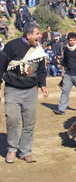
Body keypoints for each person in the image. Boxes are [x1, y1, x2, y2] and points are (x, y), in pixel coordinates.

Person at [0, 22, 49, 163]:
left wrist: (43, 85)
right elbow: (1, 65)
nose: (40, 36)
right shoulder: (11, 46)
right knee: (12, 119)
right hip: (12, 90)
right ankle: (12, 149)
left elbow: (41, 70)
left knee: (29, 122)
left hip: (31, 91)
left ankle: (25, 151)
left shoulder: (38, 49)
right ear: (28, 35)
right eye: (37, 34)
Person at [53, 32, 76, 115]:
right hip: (68, 74)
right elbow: (64, 61)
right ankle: (61, 109)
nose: (72, 42)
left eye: (73, 40)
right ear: (67, 40)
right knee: (65, 92)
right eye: (70, 40)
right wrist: (62, 72)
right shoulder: (66, 49)